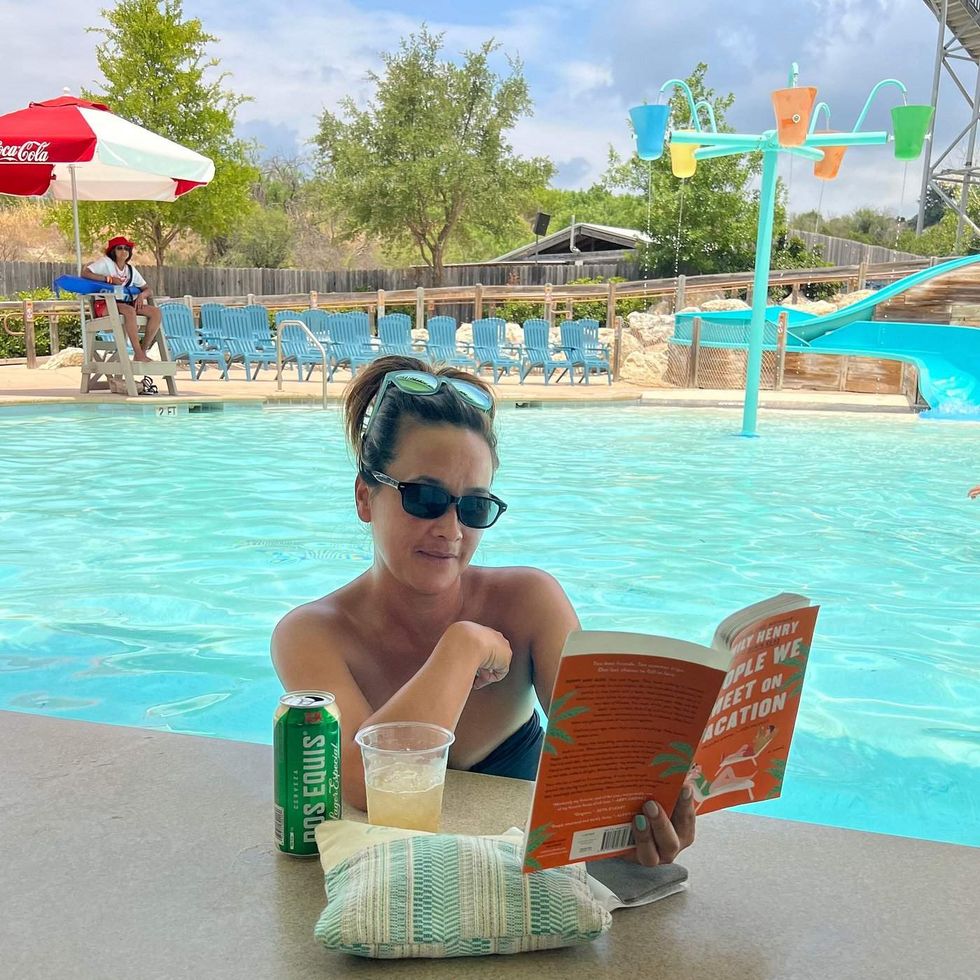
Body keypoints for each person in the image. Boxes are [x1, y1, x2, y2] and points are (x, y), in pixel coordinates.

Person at [272, 355, 696, 866]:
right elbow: (365, 780)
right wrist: (463, 646)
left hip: (527, 894)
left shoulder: (529, 603)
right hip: (387, 895)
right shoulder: (311, 634)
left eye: (473, 506)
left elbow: (600, 764)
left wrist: (644, 818)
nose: (451, 530)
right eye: (425, 498)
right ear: (365, 497)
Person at [82, 236, 162, 364]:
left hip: (125, 303)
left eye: (127, 248)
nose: (124, 251)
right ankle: (138, 353)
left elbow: (148, 289)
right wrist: (108, 279)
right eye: (120, 248)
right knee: (129, 311)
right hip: (105, 305)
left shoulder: (130, 269)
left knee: (155, 312)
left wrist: (142, 296)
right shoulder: (105, 262)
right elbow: (85, 273)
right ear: (113, 251)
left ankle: (142, 351)